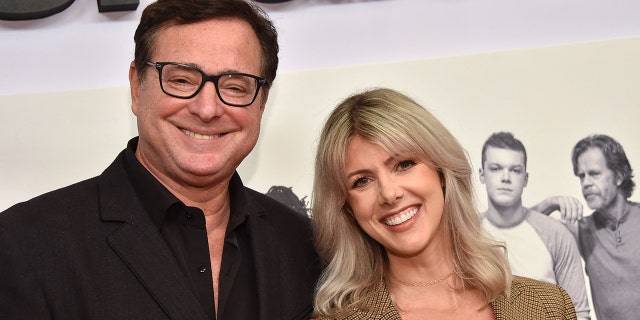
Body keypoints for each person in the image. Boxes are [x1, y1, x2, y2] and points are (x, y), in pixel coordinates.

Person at [0, 1, 321, 319]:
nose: (207, 109)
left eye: (235, 87)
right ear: (137, 87)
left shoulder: (304, 244)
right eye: (181, 80)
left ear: (261, 104)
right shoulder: (26, 245)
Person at [311, 87, 577, 319]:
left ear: (441, 170)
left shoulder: (549, 307)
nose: (389, 194)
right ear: (347, 207)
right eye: (362, 181)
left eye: (404, 164)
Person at [479, 132, 590, 319]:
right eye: (496, 168)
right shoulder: (464, 233)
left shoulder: (556, 234)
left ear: (526, 178)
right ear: (482, 174)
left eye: (515, 170)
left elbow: (579, 313)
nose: (505, 178)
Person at [533, 134, 640, 320]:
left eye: (594, 174)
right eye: (581, 176)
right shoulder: (583, 230)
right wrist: (551, 203)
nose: (586, 183)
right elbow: (521, 226)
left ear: (619, 176)